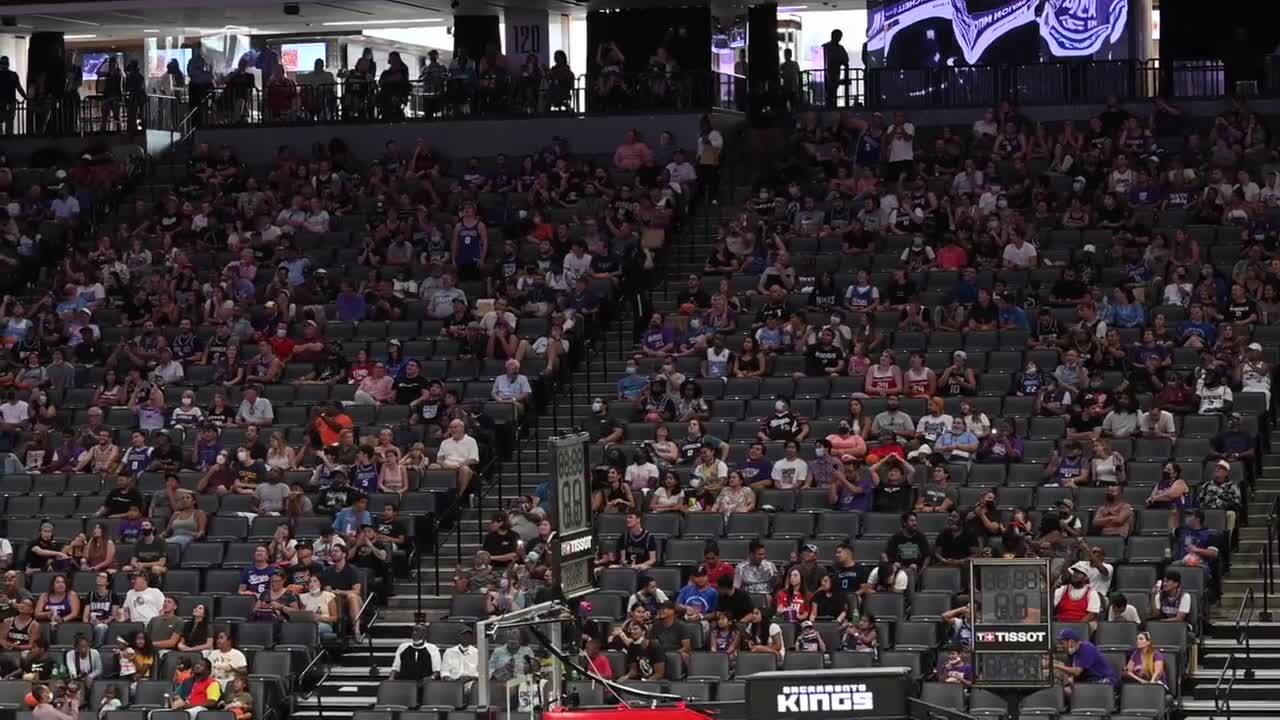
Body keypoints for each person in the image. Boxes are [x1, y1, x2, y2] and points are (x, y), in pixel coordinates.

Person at [1053, 628, 1118, 696]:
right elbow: (1073, 677)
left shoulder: (1086, 648)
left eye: (1062, 643)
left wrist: (1056, 665)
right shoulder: (1074, 654)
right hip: (1091, 682)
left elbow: (1077, 672)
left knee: (1070, 692)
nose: (1061, 646)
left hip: (1106, 682)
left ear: (1071, 642)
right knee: (1063, 690)